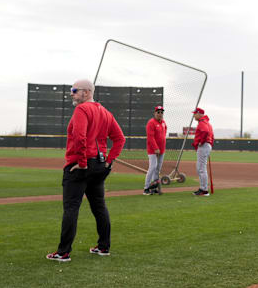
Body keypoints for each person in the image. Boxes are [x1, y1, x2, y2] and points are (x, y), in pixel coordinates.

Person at [46, 79, 125, 262]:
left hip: (82, 166)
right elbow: (120, 139)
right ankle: (103, 247)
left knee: (71, 208)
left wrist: (82, 163)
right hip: (99, 165)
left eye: (75, 90)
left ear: (86, 92)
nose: (72, 93)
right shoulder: (105, 112)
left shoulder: (81, 109)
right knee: (99, 207)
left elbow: (80, 137)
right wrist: (109, 161)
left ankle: (63, 252)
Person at [144, 105, 167, 195]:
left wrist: (161, 148)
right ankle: (146, 188)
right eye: (158, 112)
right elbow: (150, 137)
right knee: (152, 167)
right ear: (155, 113)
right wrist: (156, 148)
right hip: (153, 150)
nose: (160, 114)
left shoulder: (164, 123)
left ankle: (154, 187)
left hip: (162, 150)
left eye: (161, 112)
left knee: (157, 169)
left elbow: (164, 134)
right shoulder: (151, 123)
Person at [191, 107, 213, 196]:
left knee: (201, 169)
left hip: (204, 146)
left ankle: (204, 190)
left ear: (199, 114)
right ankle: (202, 188)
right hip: (206, 146)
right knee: (200, 168)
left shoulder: (202, 122)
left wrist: (202, 142)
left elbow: (205, 131)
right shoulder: (206, 122)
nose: (194, 115)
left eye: (195, 114)